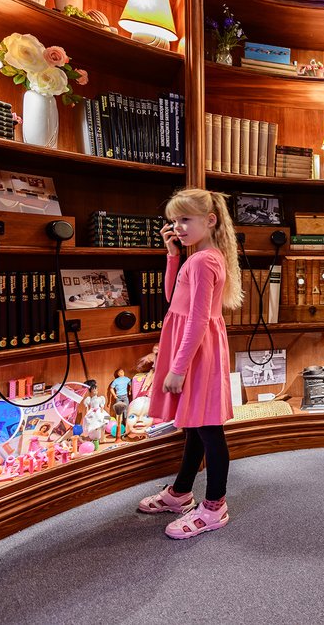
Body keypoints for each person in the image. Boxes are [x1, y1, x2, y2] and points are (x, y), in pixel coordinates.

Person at [137, 188, 243, 539]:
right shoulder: (199, 257)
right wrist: (171, 255)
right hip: (196, 347)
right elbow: (173, 299)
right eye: (174, 221)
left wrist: (178, 368)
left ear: (209, 221)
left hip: (195, 350)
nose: (177, 227)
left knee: (209, 429)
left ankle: (215, 507)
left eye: (185, 220)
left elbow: (197, 319)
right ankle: (181, 492)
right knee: (196, 425)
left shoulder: (204, 260)